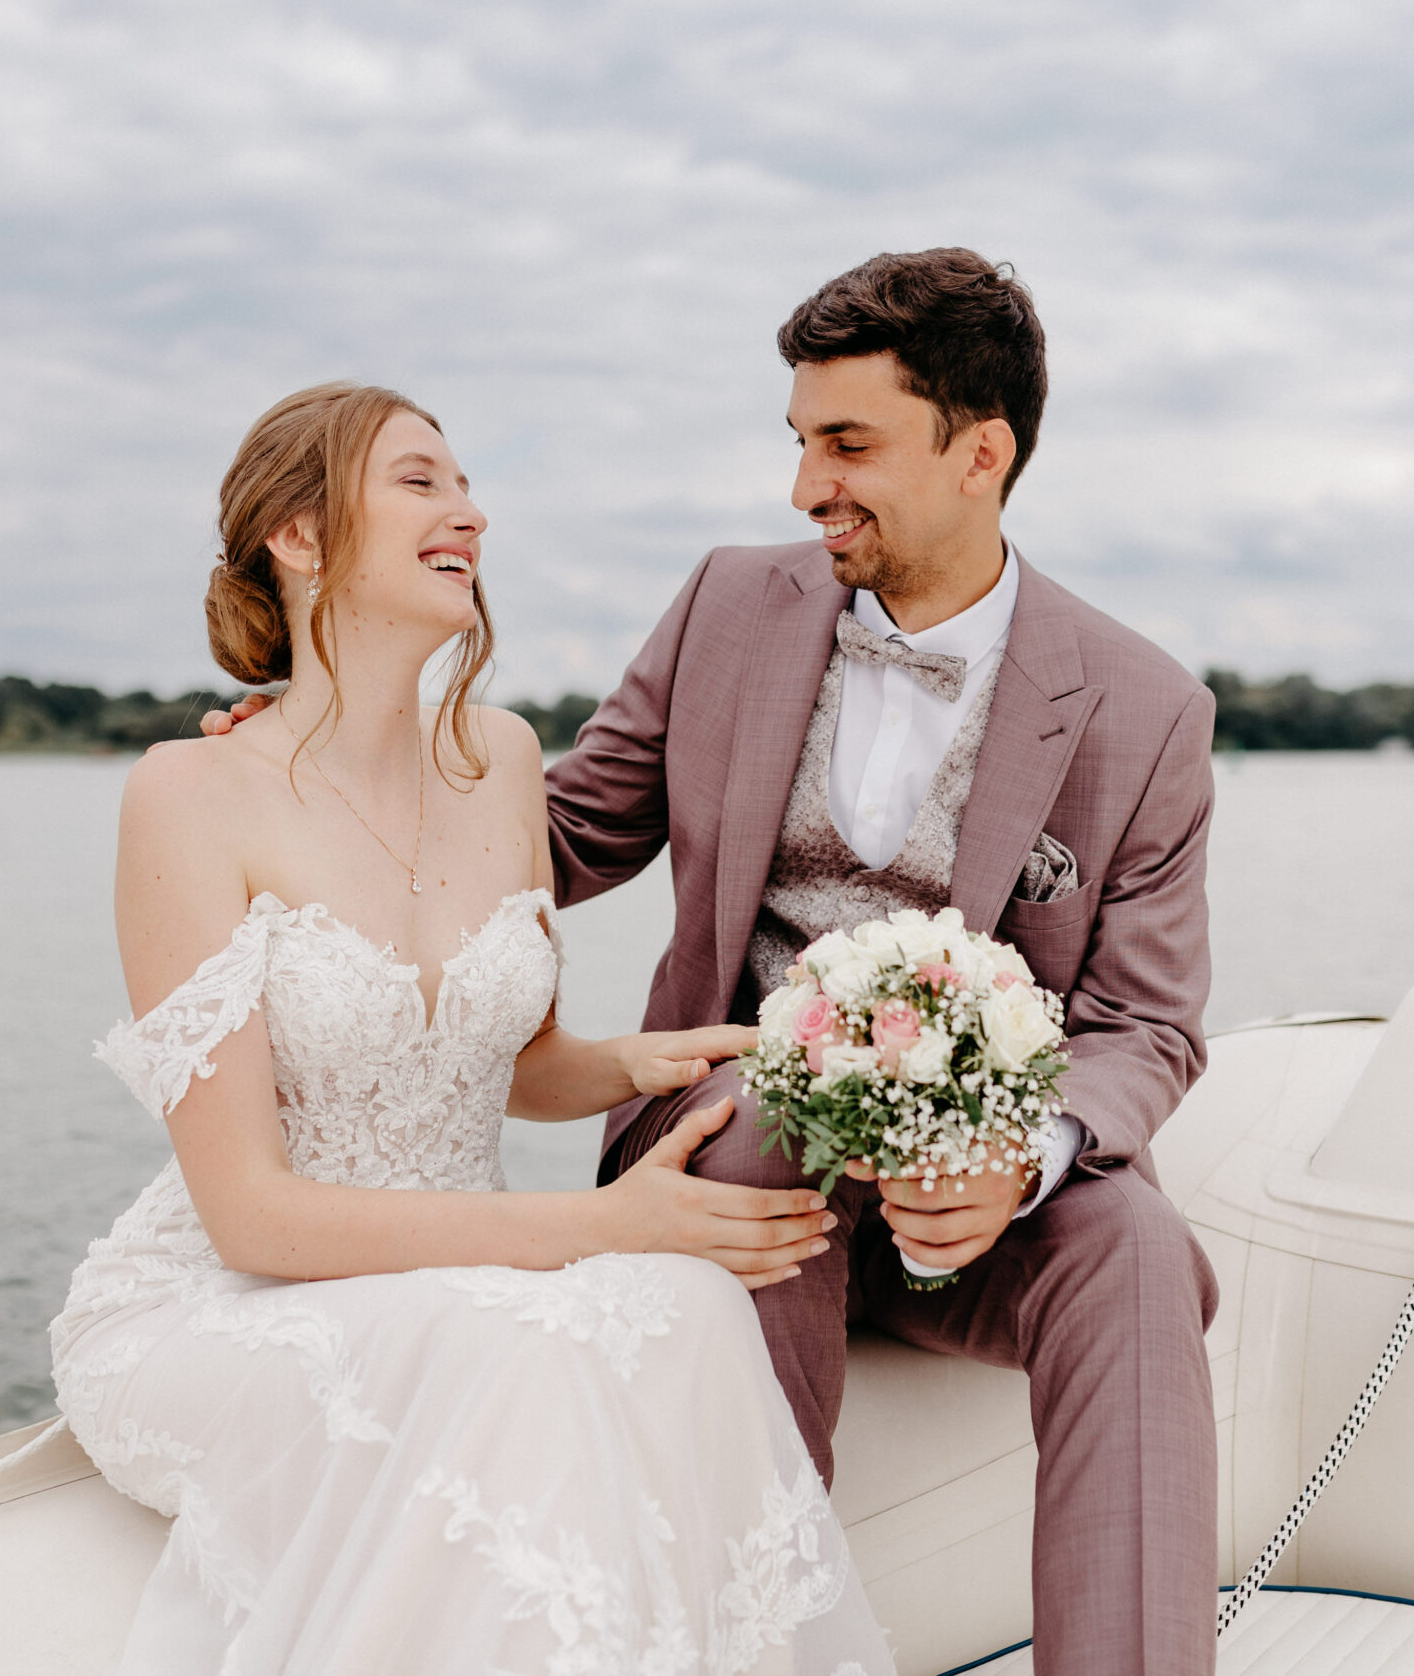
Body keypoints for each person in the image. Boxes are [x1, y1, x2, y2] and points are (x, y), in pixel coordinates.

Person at [213, 250, 1223, 1671]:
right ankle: (760, 1635)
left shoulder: (1146, 708)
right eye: (802, 442)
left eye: (848, 445)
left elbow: (1147, 1025)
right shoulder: (724, 607)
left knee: (1136, 1248)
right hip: (730, 1154)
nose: (806, 486)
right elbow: (542, 843)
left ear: (980, 453)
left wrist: (1028, 1155)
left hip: (967, 1207)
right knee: (759, 1116)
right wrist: (311, 772)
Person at [52, 381, 892, 1675]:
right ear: (300, 537)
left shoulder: (502, 757)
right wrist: (598, 1225)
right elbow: (252, 1218)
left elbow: (518, 1065)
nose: (470, 513)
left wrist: (651, 1062)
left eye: (466, 484)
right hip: (230, 1294)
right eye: (421, 480)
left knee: (694, 1309)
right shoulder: (191, 792)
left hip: (459, 1276)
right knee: (519, 1344)